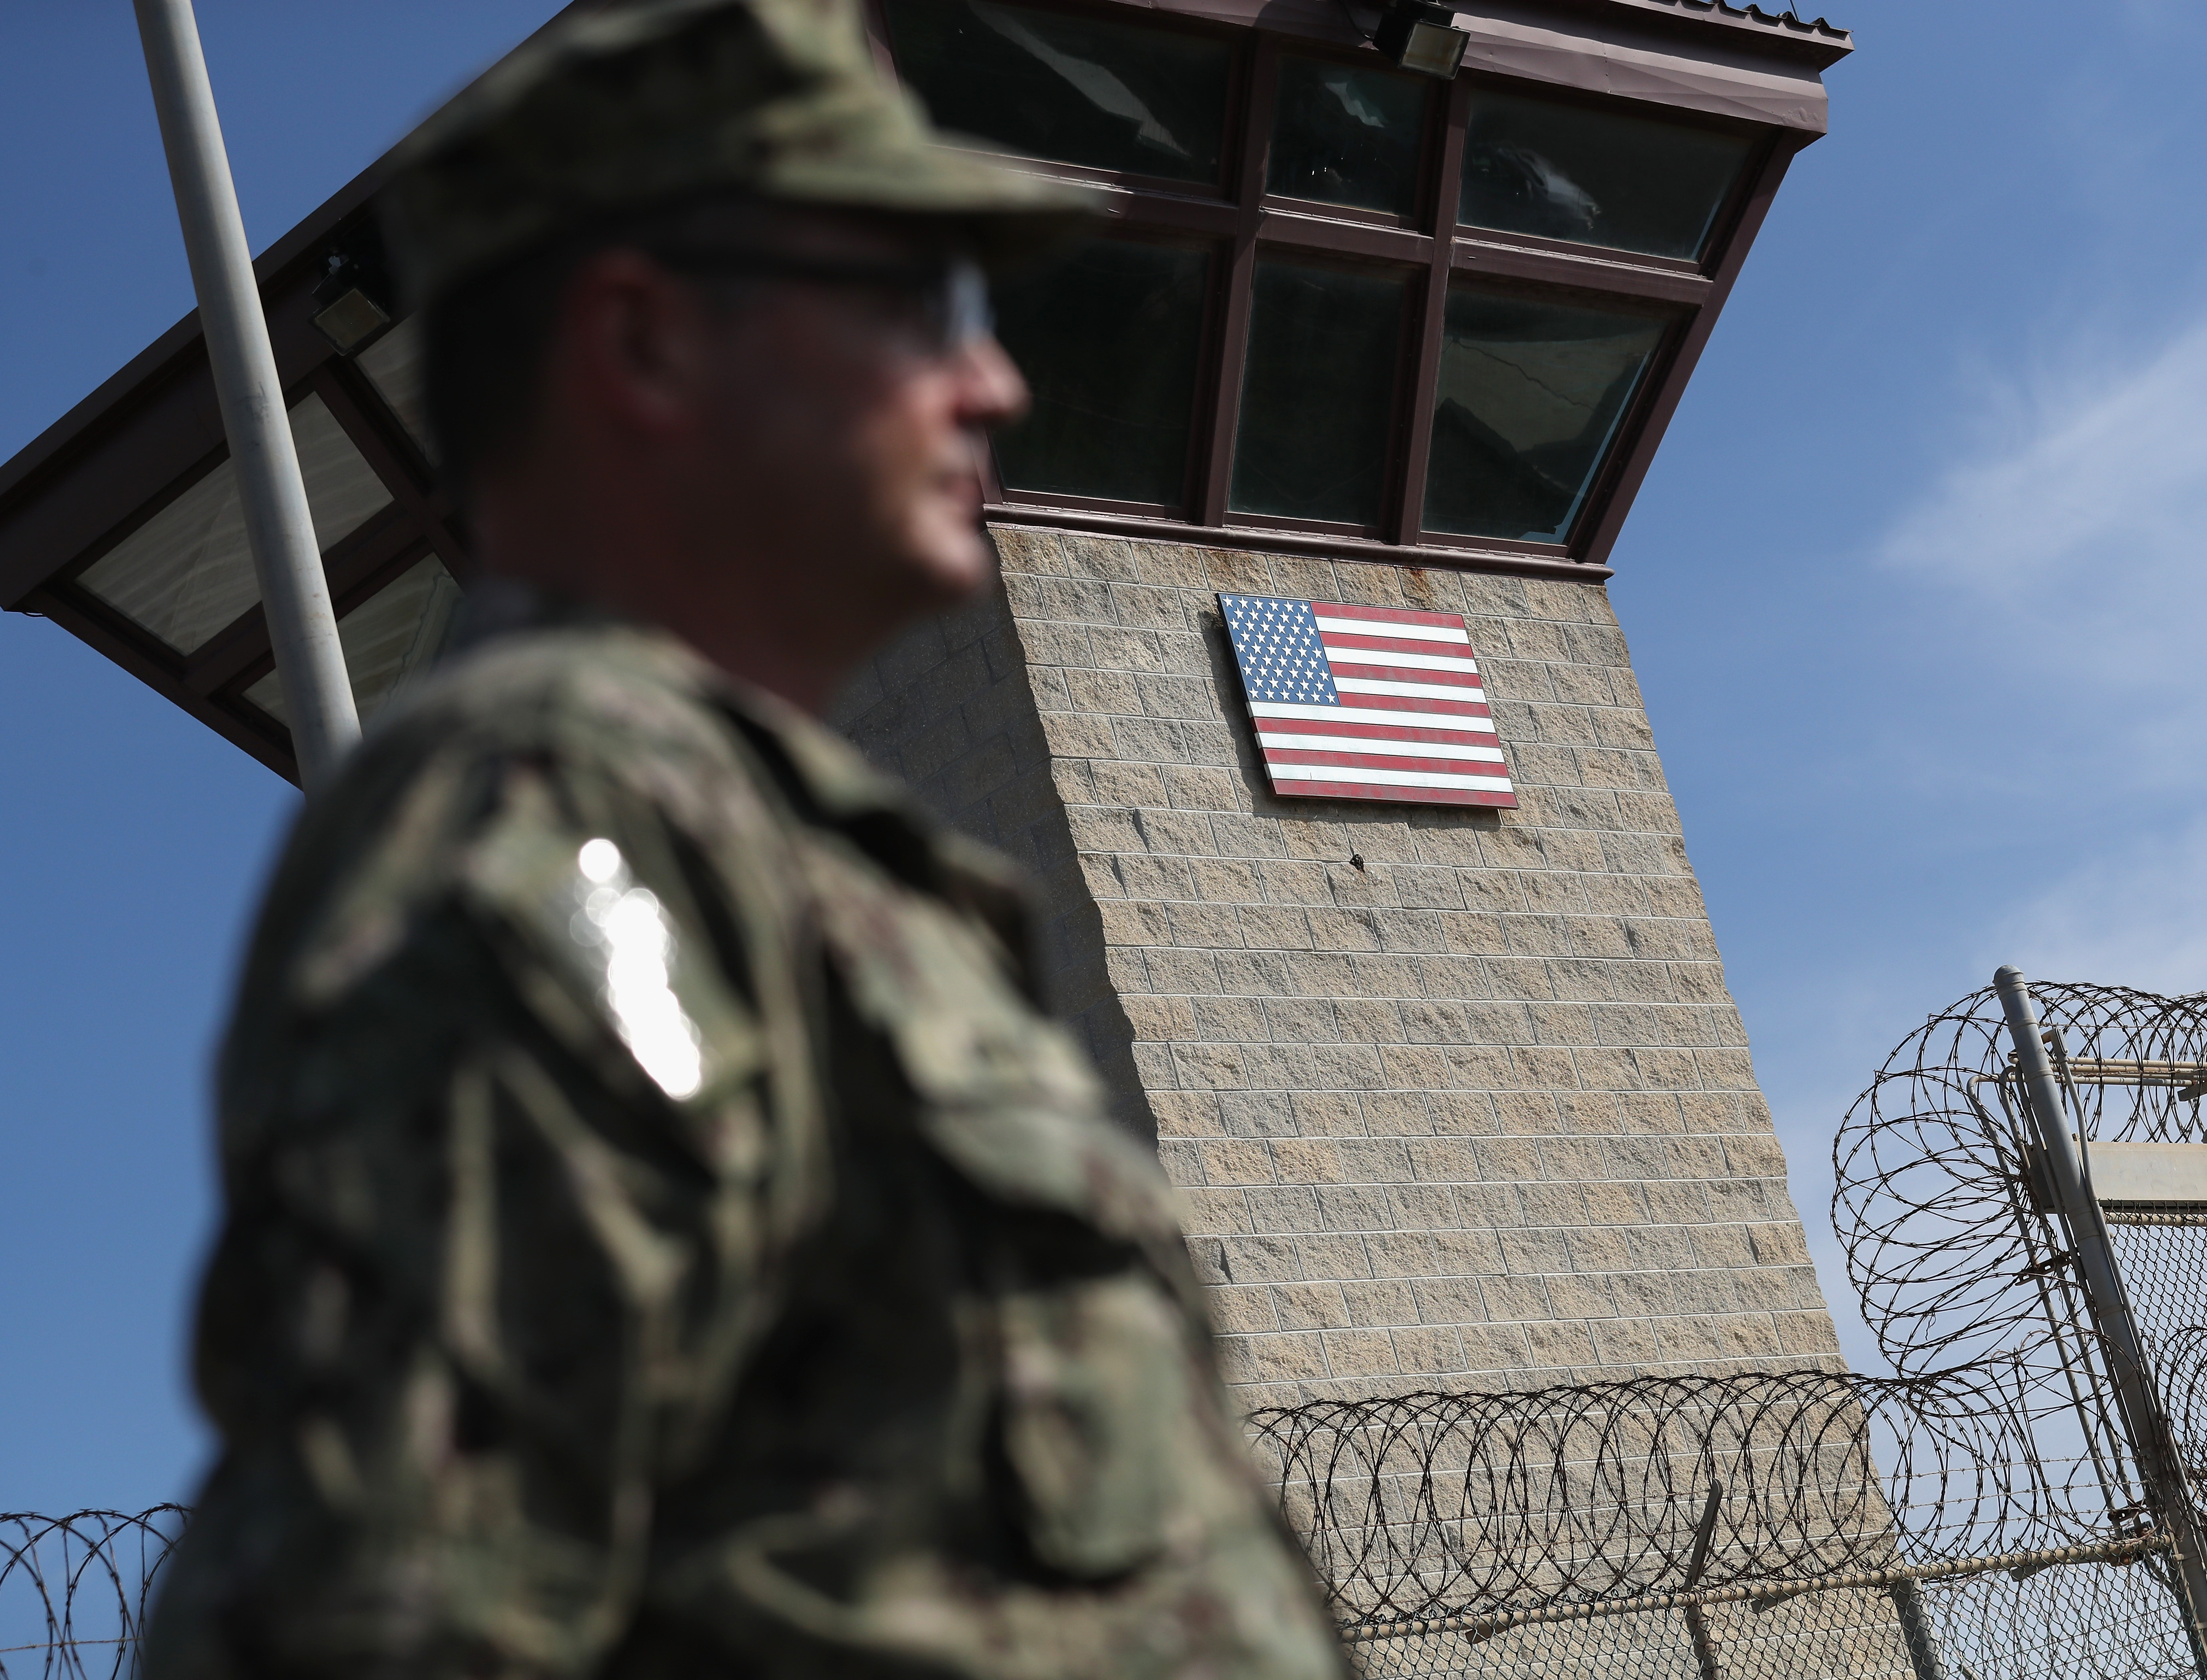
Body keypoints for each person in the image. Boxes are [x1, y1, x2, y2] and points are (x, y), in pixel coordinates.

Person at [142, 3, 1347, 1678]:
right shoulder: (557, 828)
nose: (992, 378)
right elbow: (389, 1618)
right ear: (644, 344)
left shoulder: (793, 858)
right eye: (918, 302)